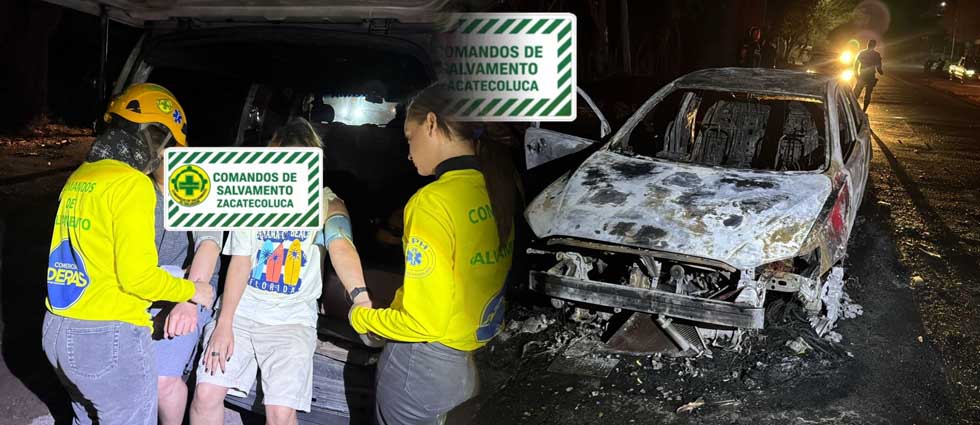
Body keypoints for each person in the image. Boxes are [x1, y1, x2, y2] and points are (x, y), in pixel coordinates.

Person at [41, 83, 214, 425]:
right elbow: (138, 277)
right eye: (169, 145)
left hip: (57, 330)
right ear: (156, 138)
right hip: (105, 339)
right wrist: (192, 291)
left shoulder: (83, 175)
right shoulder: (132, 184)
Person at [348, 84, 519, 425]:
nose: (409, 154)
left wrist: (362, 317)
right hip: (465, 370)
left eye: (409, 138)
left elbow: (423, 322)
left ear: (430, 124)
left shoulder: (432, 201)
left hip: (419, 373)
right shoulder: (497, 188)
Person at [189, 117, 371, 425]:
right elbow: (242, 261)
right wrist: (224, 323)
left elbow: (340, 243)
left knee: (280, 413)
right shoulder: (254, 199)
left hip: (292, 321)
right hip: (243, 311)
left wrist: (361, 297)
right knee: (205, 394)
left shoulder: (327, 201)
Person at [146, 138, 224, 425]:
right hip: (141, 290)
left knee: (162, 380)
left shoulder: (197, 185)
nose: (164, 155)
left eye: (171, 147)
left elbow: (209, 244)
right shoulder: (135, 187)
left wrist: (188, 299)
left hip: (189, 290)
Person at [853, 39, 884, 111]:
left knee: (856, 92)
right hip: (870, 76)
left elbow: (856, 64)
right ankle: (864, 110)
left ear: (868, 44)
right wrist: (880, 72)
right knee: (868, 93)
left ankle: (852, 107)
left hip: (862, 75)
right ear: (874, 46)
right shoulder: (876, 55)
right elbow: (879, 66)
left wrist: (856, 73)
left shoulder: (862, 53)